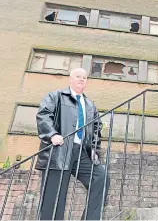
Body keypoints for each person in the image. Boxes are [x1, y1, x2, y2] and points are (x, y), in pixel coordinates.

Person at [35, 68, 109, 220]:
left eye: (84, 77)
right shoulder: (56, 96)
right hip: (59, 150)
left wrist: (94, 150)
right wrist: (52, 134)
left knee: (101, 178)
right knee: (54, 197)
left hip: (81, 152)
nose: (82, 79)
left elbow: (96, 129)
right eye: (78, 76)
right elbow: (43, 115)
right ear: (70, 79)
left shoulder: (90, 105)